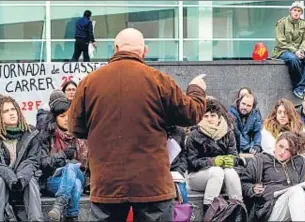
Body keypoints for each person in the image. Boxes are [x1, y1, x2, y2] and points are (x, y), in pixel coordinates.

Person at [68, 28, 206, 221]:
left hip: (107, 184)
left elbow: (76, 128)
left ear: (115, 48)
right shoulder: (159, 80)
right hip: (152, 185)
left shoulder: (89, 83)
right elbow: (192, 113)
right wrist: (197, 89)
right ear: (144, 51)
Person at [0, 96, 43, 221]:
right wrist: (9, 176)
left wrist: (20, 178)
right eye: (6, 111)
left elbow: (32, 160)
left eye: (13, 109)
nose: (12, 113)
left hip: (22, 180)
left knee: (30, 179)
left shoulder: (31, 133)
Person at [241, 131, 305, 221]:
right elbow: (244, 183)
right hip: (268, 209)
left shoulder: (299, 162)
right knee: (296, 191)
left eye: (288, 150)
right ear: (276, 144)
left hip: (292, 205)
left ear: (293, 152)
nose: (282, 152)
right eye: (281, 146)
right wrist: (252, 188)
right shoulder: (261, 160)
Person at [186, 99, 243, 213]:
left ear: (219, 117)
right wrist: (212, 161)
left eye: (212, 115)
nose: (209, 119)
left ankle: (237, 211)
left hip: (222, 177)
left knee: (230, 172)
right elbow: (191, 162)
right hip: (197, 177)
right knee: (217, 171)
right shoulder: (194, 135)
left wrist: (231, 160)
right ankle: (209, 213)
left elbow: (235, 156)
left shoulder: (228, 132)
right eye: (205, 116)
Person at [39, 97, 88, 221]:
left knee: (71, 167)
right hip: (54, 178)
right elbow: (43, 163)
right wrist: (63, 155)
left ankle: (59, 204)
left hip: (79, 174)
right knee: (75, 185)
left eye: (70, 115)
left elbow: (87, 164)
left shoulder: (81, 133)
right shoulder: (47, 136)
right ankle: (72, 217)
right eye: (62, 116)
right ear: (54, 118)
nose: (67, 119)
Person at [272, 1, 305, 99]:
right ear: (290, 11)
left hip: (299, 51)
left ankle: (302, 87)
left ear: (301, 13)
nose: (296, 12)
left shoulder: (304, 25)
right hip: (283, 51)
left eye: (299, 11)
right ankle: (297, 85)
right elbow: (281, 41)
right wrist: (294, 51)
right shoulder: (282, 23)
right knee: (293, 59)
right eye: (295, 10)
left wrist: (302, 50)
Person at [262, 98, 305, 167]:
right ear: (275, 113)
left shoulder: (299, 127)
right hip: (275, 165)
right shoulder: (268, 127)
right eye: (279, 112)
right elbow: (272, 149)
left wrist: (302, 159)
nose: (282, 115)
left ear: (290, 114)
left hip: (297, 164)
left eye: (286, 113)